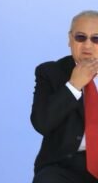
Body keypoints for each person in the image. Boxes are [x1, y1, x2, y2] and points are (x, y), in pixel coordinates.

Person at [32, 10, 98, 182]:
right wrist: (74, 86)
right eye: (81, 37)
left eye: (96, 38)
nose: (88, 45)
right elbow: (42, 124)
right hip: (64, 166)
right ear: (70, 39)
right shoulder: (50, 72)